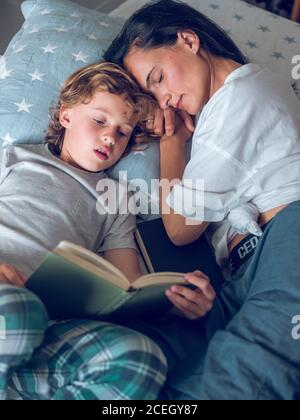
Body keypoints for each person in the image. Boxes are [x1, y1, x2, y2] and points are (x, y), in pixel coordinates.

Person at [104, 0, 300, 400]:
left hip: (289, 236)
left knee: (243, 377)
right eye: (150, 95)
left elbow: (180, 228)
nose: (163, 100)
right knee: (151, 360)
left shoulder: (243, 96)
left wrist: (172, 140)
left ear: (188, 40)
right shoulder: (214, 120)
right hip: (246, 271)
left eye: (158, 77)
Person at [0, 62, 168, 400]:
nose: (111, 136)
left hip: (46, 327)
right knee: (17, 311)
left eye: (123, 132)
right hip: (7, 305)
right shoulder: (15, 158)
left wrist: (171, 300)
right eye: (99, 120)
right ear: (66, 115)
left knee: (141, 358)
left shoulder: (117, 198)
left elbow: (126, 286)